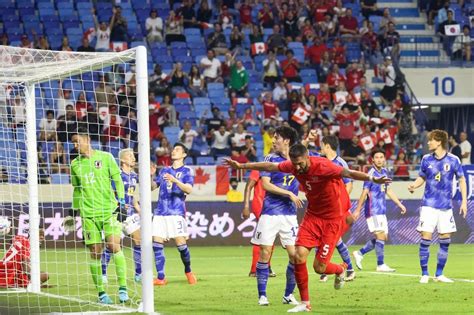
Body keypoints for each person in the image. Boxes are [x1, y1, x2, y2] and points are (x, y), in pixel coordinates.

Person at [224, 144, 391, 312]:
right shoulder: (293, 165)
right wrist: (241, 166)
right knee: (297, 256)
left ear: (307, 158)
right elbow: (270, 166)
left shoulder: (324, 166)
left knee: (319, 268)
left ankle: (341, 269)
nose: (296, 167)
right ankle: (305, 303)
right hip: (312, 216)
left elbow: (348, 173)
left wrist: (372, 179)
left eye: (300, 163)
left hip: (332, 219)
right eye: (294, 164)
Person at [68, 127, 128, 304]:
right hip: (88, 214)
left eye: (77, 141)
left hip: (109, 210)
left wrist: (122, 203)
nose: (75, 145)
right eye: (73, 142)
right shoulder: (75, 164)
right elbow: (77, 190)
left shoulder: (106, 157)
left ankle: (123, 288)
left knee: (114, 245)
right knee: (95, 252)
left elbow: (117, 180)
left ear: (87, 139)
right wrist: (73, 211)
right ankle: (102, 293)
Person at [250, 126, 301, 306]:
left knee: (295, 256)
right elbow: (265, 185)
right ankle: (262, 295)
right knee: (265, 252)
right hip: (270, 212)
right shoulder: (270, 159)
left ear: (286, 140)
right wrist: (289, 194)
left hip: (289, 215)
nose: (273, 141)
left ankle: (288, 295)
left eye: (276, 138)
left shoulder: (298, 159)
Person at [408, 130, 467, 283]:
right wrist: (414, 185)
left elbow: (462, 180)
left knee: (445, 239)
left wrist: (464, 203)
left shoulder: (454, 160)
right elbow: (422, 177)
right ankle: (425, 274)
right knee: (425, 237)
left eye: (431, 140)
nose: (428, 143)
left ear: (439, 141)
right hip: (428, 205)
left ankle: (439, 274)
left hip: (446, 207)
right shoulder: (426, 159)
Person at [352, 149, 407, 272]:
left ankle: (359, 253)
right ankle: (380, 265)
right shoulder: (370, 174)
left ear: (384, 159)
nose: (379, 159)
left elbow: (388, 190)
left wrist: (399, 203)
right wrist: (357, 209)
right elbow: (364, 192)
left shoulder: (384, 172)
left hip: (381, 210)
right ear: (372, 160)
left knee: (383, 237)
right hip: (373, 210)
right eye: (377, 157)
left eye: (381, 157)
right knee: (380, 236)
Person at [151, 143, 197, 285]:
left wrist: (175, 180)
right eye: (173, 149)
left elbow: (188, 190)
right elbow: (153, 187)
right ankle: (160, 277)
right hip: (160, 212)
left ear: (184, 155)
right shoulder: (164, 170)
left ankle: (188, 271)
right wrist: (151, 176)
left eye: (177, 149)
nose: (173, 151)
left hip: (176, 212)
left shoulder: (187, 171)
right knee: (156, 244)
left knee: (181, 245)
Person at [317, 135, 356, 282]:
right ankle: (334, 269)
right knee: (330, 239)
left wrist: (339, 202)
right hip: (322, 207)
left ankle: (332, 269)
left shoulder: (340, 163)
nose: (320, 148)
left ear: (327, 146)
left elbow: (349, 184)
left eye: (322, 145)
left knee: (332, 239)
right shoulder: (321, 161)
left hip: (336, 209)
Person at [101, 149, 142, 283]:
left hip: (129, 214)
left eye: (134, 156)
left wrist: (138, 209)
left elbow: (132, 195)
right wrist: (117, 206)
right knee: (112, 245)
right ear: (123, 160)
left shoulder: (134, 176)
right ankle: (103, 273)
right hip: (117, 214)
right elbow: (111, 193)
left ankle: (138, 273)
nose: (134, 158)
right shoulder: (117, 175)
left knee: (138, 240)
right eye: (130, 156)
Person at [242, 171, 277, 278]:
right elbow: (248, 186)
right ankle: (255, 269)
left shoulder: (279, 168)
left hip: (273, 207)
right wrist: (246, 206)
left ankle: (265, 266)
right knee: (264, 238)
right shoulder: (259, 169)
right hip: (261, 206)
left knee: (269, 238)